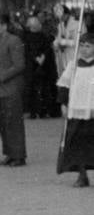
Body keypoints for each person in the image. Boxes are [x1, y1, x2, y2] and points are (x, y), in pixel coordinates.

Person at [0, 12, 27, 167]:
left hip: (11, 87)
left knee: (13, 122)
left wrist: (1, 77)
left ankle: (19, 155)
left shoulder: (14, 40)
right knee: (2, 121)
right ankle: (9, 153)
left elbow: (19, 65)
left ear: (4, 26)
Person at [57, 33, 94, 188]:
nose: (85, 49)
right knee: (77, 143)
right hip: (76, 109)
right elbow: (64, 85)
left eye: (89, 46)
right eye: (83, 46)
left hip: (91, 109)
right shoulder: (74, 65)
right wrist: (63, 103)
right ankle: (82, 175)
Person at [21, 13, 59, 119]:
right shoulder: (25, 37)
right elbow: (27, 49)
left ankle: (46, 110)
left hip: (45, 68)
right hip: (31, 68)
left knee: (46, 89)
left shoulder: (44, 36)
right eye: (37, 23)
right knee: (31, 89)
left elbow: (47, 48)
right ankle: (32, 111)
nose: (39, 25)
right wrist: (36, 57)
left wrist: (42, 56)